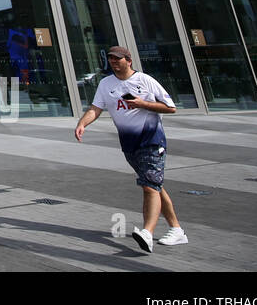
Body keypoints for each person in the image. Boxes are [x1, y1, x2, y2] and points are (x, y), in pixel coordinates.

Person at [74, 46, 187, 253]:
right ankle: (176, 229)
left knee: (150, 186)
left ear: (129, 60)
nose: (114, 62)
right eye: (111, 59)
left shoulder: (145, 81)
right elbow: (95, 109)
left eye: (118, 59)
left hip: (152, 141)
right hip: (129, 145)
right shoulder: (105, 84)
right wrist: (83, 124)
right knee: (153, 184)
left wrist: (143, 104)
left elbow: (171, 107)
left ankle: (147, 233)